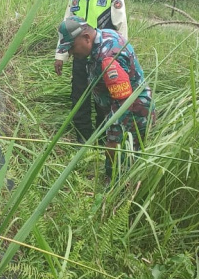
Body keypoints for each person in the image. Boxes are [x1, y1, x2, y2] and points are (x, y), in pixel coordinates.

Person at [57, 15, 155, 180]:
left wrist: (113, 139)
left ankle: (117, 196)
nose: (71, 53)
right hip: (122, 107)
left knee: (123, 165)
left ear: (86, 37)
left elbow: (122, 103)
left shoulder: (108, 58)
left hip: (134, 114)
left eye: (72, 47)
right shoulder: (104, 35)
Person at [54, 0, 128, 142]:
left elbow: (122, 30)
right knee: (78, 96)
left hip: (104, 57)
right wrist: (60, 55)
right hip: (80, 56)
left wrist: (120, 58)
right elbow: (67, 26)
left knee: (103, 99)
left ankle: (103, 138)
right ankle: (82, 138)